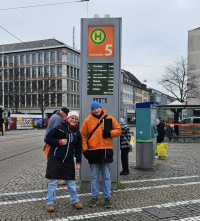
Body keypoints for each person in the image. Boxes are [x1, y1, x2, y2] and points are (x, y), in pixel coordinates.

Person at [81, 101, 122, 208]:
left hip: (106, 151)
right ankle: (94, 197)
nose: (96, 110)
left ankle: (107, 198)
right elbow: (83, 136)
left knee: (106, 177)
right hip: (93, 152)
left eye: (97, 108)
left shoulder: (109, 118)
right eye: (94, 109)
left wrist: (110, 133)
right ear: (91, 110)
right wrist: (85, 150)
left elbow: (119, 130)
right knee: (94, 176)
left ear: (101, 108)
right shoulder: (87, 120)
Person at [45, 111, 83, 212]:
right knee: (53, 181)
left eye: (76, 119)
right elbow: (47, 139)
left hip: (68, 160)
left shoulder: (76, 132)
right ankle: (50, 202)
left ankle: (75, 200)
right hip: (55, 158)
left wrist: (78, 161)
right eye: (72, 118)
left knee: (70, 182)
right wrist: (59, 142)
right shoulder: (59, 127)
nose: (74, 120)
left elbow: (79, 148)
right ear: (68, 118)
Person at [44, 107, 69, 186]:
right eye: (66, 115)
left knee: (51, 159)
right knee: (56, 160)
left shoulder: (53, 116)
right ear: (64, 113)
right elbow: (57, 131)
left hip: (49, 140)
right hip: (55, 142)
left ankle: (51, 178)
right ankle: (57, 179)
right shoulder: (58, 118)